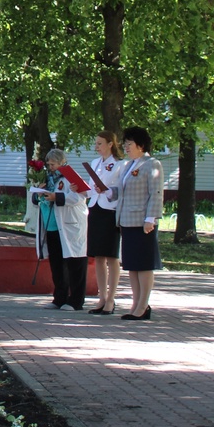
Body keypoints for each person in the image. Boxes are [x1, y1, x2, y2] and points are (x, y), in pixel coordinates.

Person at [30, 149, 88, 310]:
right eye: (48, 164)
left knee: (74, 262)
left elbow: (81, 197)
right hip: (52, 224)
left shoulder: (71, 177)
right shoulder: (48, 178)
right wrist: (38, 194)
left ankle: (76, 300)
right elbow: (37, 199)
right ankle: (60, 297)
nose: (51, 167)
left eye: (53, 164)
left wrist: (57, 197)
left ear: (62, 162)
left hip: (70, 225)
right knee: (57, 263)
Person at [116, 126, 164, 321]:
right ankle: (136, 304)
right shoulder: (129, 166)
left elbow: (156, 193)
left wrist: (150, 219)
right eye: (125, 144)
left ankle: (143, 305)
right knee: (132, 266)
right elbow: (123, 192)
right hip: (127, 220)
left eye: (129, 144)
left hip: (143, 222)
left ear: (141, 145)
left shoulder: (152, 164)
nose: (126, 147)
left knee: (144, 265)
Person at [86, 131, 124, 314]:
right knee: (98, 256)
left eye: (100, 143)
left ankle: (111, 299)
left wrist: (107, 190)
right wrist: (80, 189)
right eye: (96, 143)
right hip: (95, 208)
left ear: (110, 144)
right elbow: (90, 190)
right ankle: (101, 297)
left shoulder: (119, 164)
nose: (97, 147)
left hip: (110, 211)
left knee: (111, 256)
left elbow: (120, 190)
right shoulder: (94, 163)